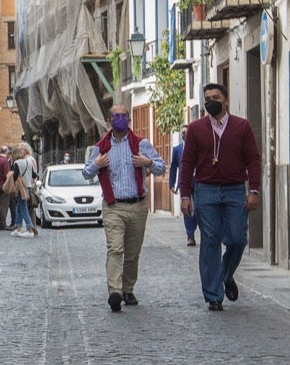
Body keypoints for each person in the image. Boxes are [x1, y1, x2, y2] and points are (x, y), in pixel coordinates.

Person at [179, 83, 263, 311]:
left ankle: (226, 274)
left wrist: (253, 190)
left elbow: (253, 159)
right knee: (210, 240)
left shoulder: (241, 127)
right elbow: (187, 163)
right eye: (207, 98)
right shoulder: (196, 128)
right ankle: (213, 295)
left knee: (237, 238)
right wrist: (185, 195)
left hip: (235, 189)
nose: (210, 101)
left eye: (215, 97)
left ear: (226, 100)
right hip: (205, 190)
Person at [84, 104, 165, 312]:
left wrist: (147, 162)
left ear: (129, 120)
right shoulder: (100, 148)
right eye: (116, 116)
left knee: (132, 253)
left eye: (124, 116)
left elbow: (161, 167)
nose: (120, 119)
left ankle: (128, 289)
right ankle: (115, 291)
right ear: (109, 121)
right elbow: (86, 173)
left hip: (137, 206)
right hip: (113, 207)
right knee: (115, 248)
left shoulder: (141, 144)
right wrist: (97, 164)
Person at [169, 138, 197, 246]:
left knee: (198, 208)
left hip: (199, 182)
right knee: (186, 208)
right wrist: (172, 183)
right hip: (185, 183)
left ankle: (193, 225)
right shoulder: (177, 149)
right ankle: (190, 235)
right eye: (183, 133)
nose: (185, 134)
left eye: (187, 132)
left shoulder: (198, 146)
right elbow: (173, 166)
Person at [14, 143, 40, 236]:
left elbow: (15, 176)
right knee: (20, 207)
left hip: (23, 187)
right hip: (29, 185)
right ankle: (18, 227)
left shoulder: (22, 161)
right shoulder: (30, 161)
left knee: (25, 208)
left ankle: (30, 229)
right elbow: (34, 174)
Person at [0, 146, 15, 231]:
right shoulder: (5, 161)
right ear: (6, 153)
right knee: (4, 204)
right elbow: (7, 174)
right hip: (4, 184)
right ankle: (2, 223)